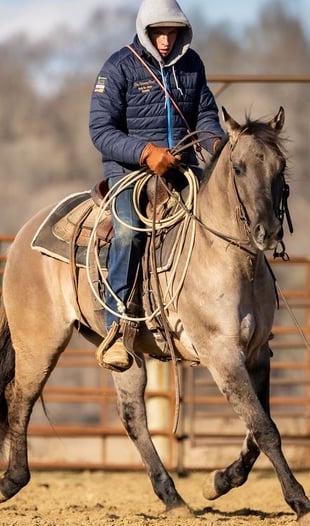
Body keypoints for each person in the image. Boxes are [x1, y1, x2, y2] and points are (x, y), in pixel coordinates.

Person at [89, 0, 224, 372]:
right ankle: (116, 327)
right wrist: (145, 152)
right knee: (129, 232)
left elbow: (205, 114)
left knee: (223, 220)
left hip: (181, 169)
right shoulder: (119, 66)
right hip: (130, 172)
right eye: (159, 32)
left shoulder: (192, 65)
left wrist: (218, 145)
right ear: (146, 30)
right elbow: (100, 130)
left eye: (172, 32)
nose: (166, 40)